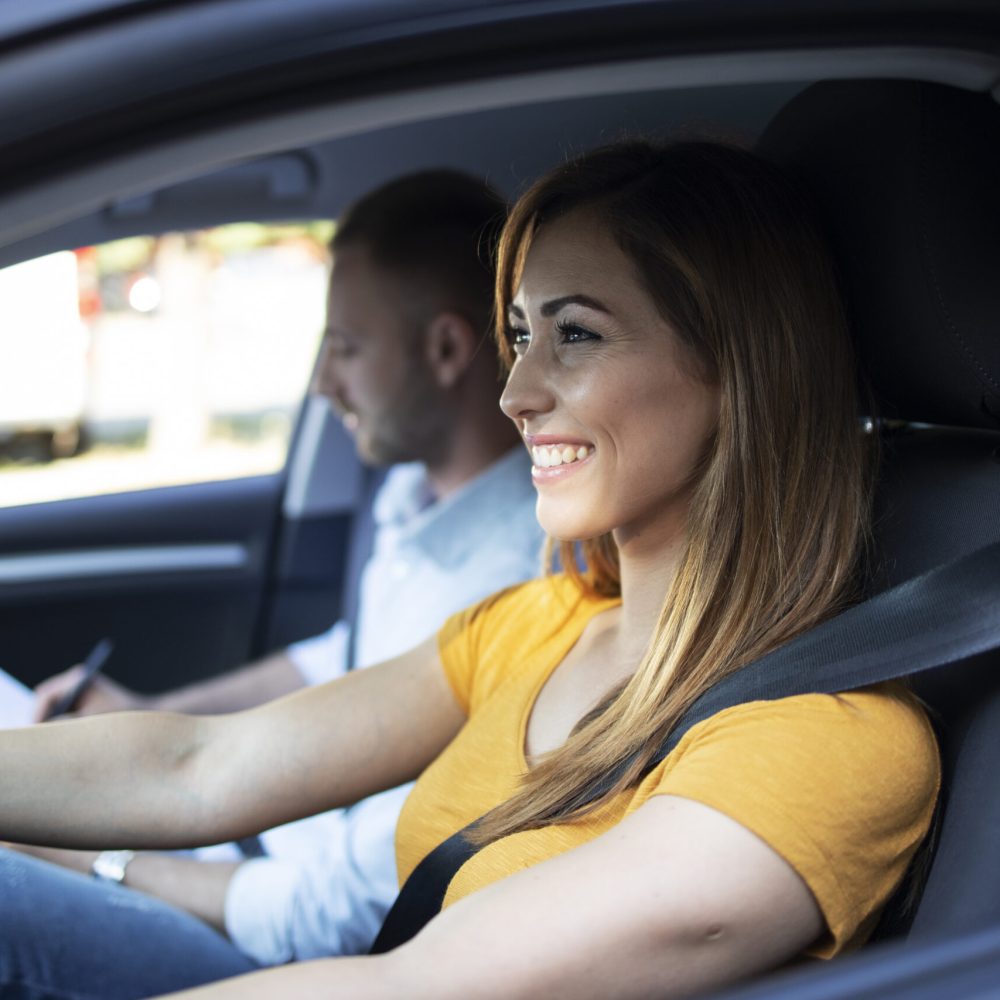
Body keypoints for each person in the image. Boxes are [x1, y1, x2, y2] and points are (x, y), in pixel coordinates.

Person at [0, 140, 939, 1000]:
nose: (516, 392)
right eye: (523, 335)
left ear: (740, 367)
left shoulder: (836, 741)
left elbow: (415, 989)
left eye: (576, 334)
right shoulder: (540, 622)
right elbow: (201, 766)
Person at [15, 170, 542, 970]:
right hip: (247, 860)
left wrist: (97, 859)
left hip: (286, 946)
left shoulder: (512, 583)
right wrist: (154, 708)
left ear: (445, 348)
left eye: (345, 348)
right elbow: (345, 657)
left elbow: (338, 913)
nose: (324, 383)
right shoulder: (412, 499)